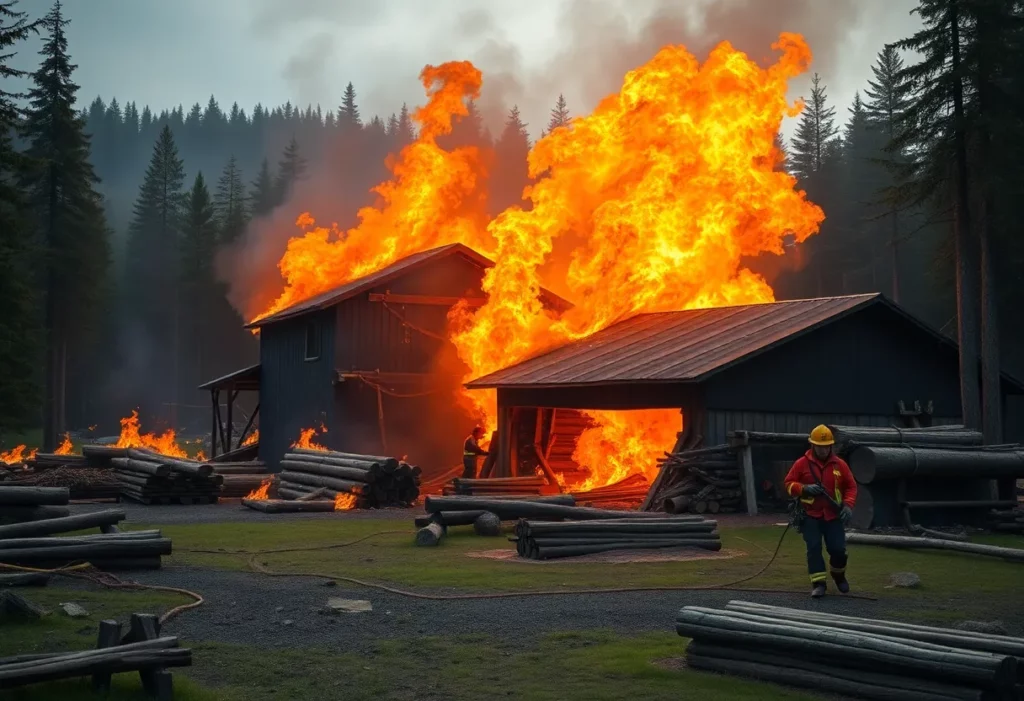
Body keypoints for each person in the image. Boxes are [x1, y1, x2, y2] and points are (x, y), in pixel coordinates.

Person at [784, 425, 858, 598]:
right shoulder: (801, 464)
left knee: (838, 549)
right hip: (810, 515)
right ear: (813, 445)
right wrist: (804, 489)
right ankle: (818, 584)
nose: (823, 450)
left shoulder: (840, 464)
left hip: (833, 516)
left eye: (826, 446)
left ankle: (839, 576)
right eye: (820, 446)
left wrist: (848, 505)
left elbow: (851, 487)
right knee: (814, 548)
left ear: (831, 446)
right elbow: (788, 485)